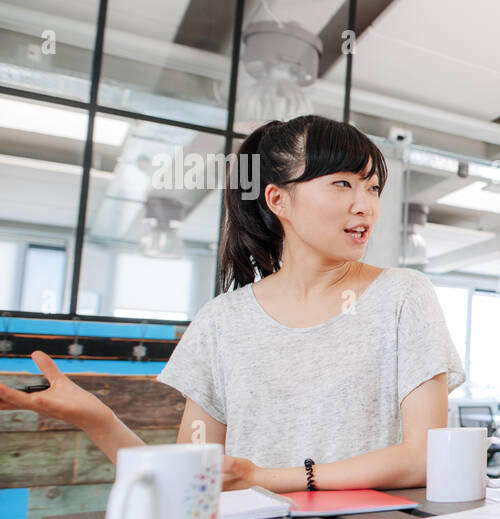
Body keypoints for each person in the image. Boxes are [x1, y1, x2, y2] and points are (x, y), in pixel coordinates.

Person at [0, 115, 465, 492]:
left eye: (373, 187)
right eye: (343, 184)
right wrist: (97, 419)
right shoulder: (222, 322)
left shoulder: (404, 296)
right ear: (278, 199)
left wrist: (266, 478)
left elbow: (423, 458)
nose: (366, 205)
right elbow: (190, 478)